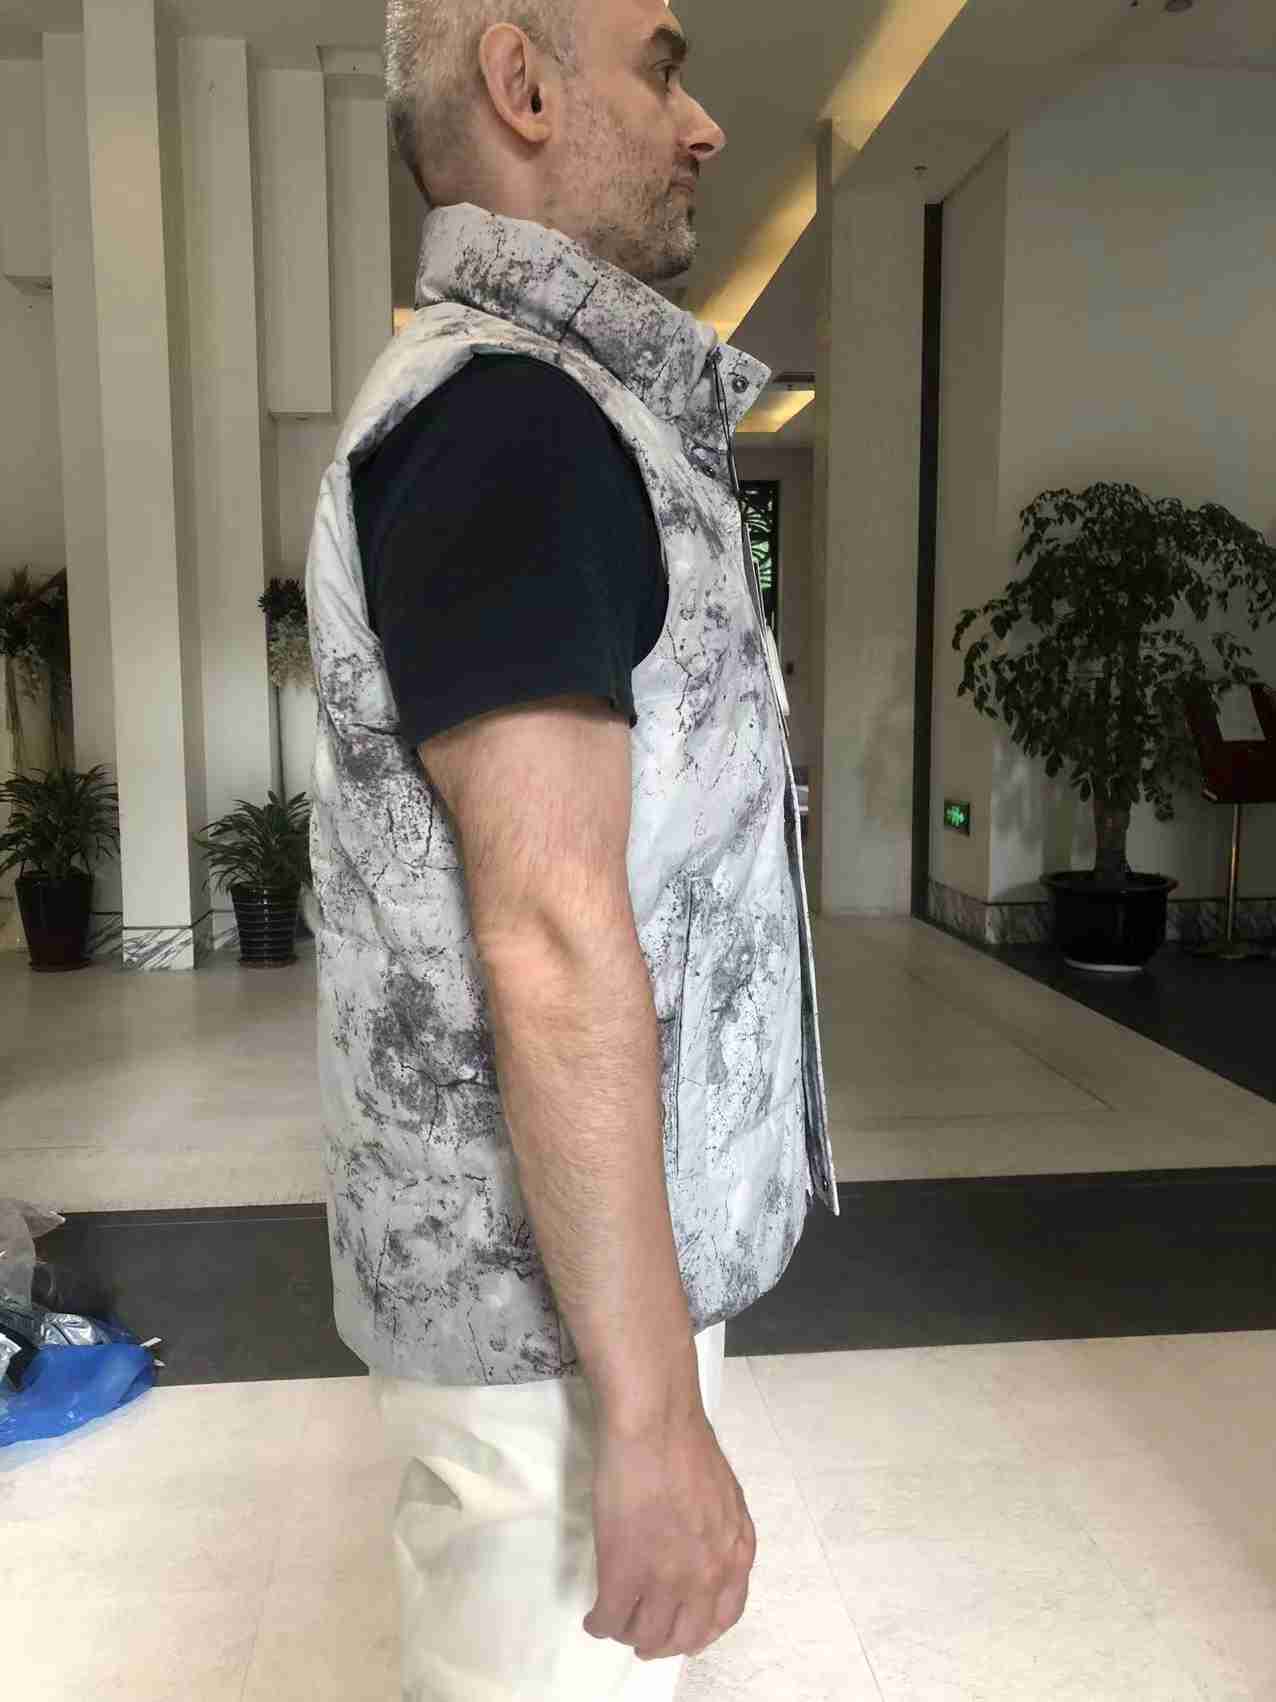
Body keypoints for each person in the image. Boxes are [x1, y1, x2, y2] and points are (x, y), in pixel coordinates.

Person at [303, 0, 839, 1695]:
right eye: (661, 65)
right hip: (553, 1340)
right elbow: (547, 932)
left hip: (582, 1294)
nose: (703, 123)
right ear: (522, 85)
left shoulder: (551, 413)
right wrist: (656, 1418)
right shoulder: (512, 425)